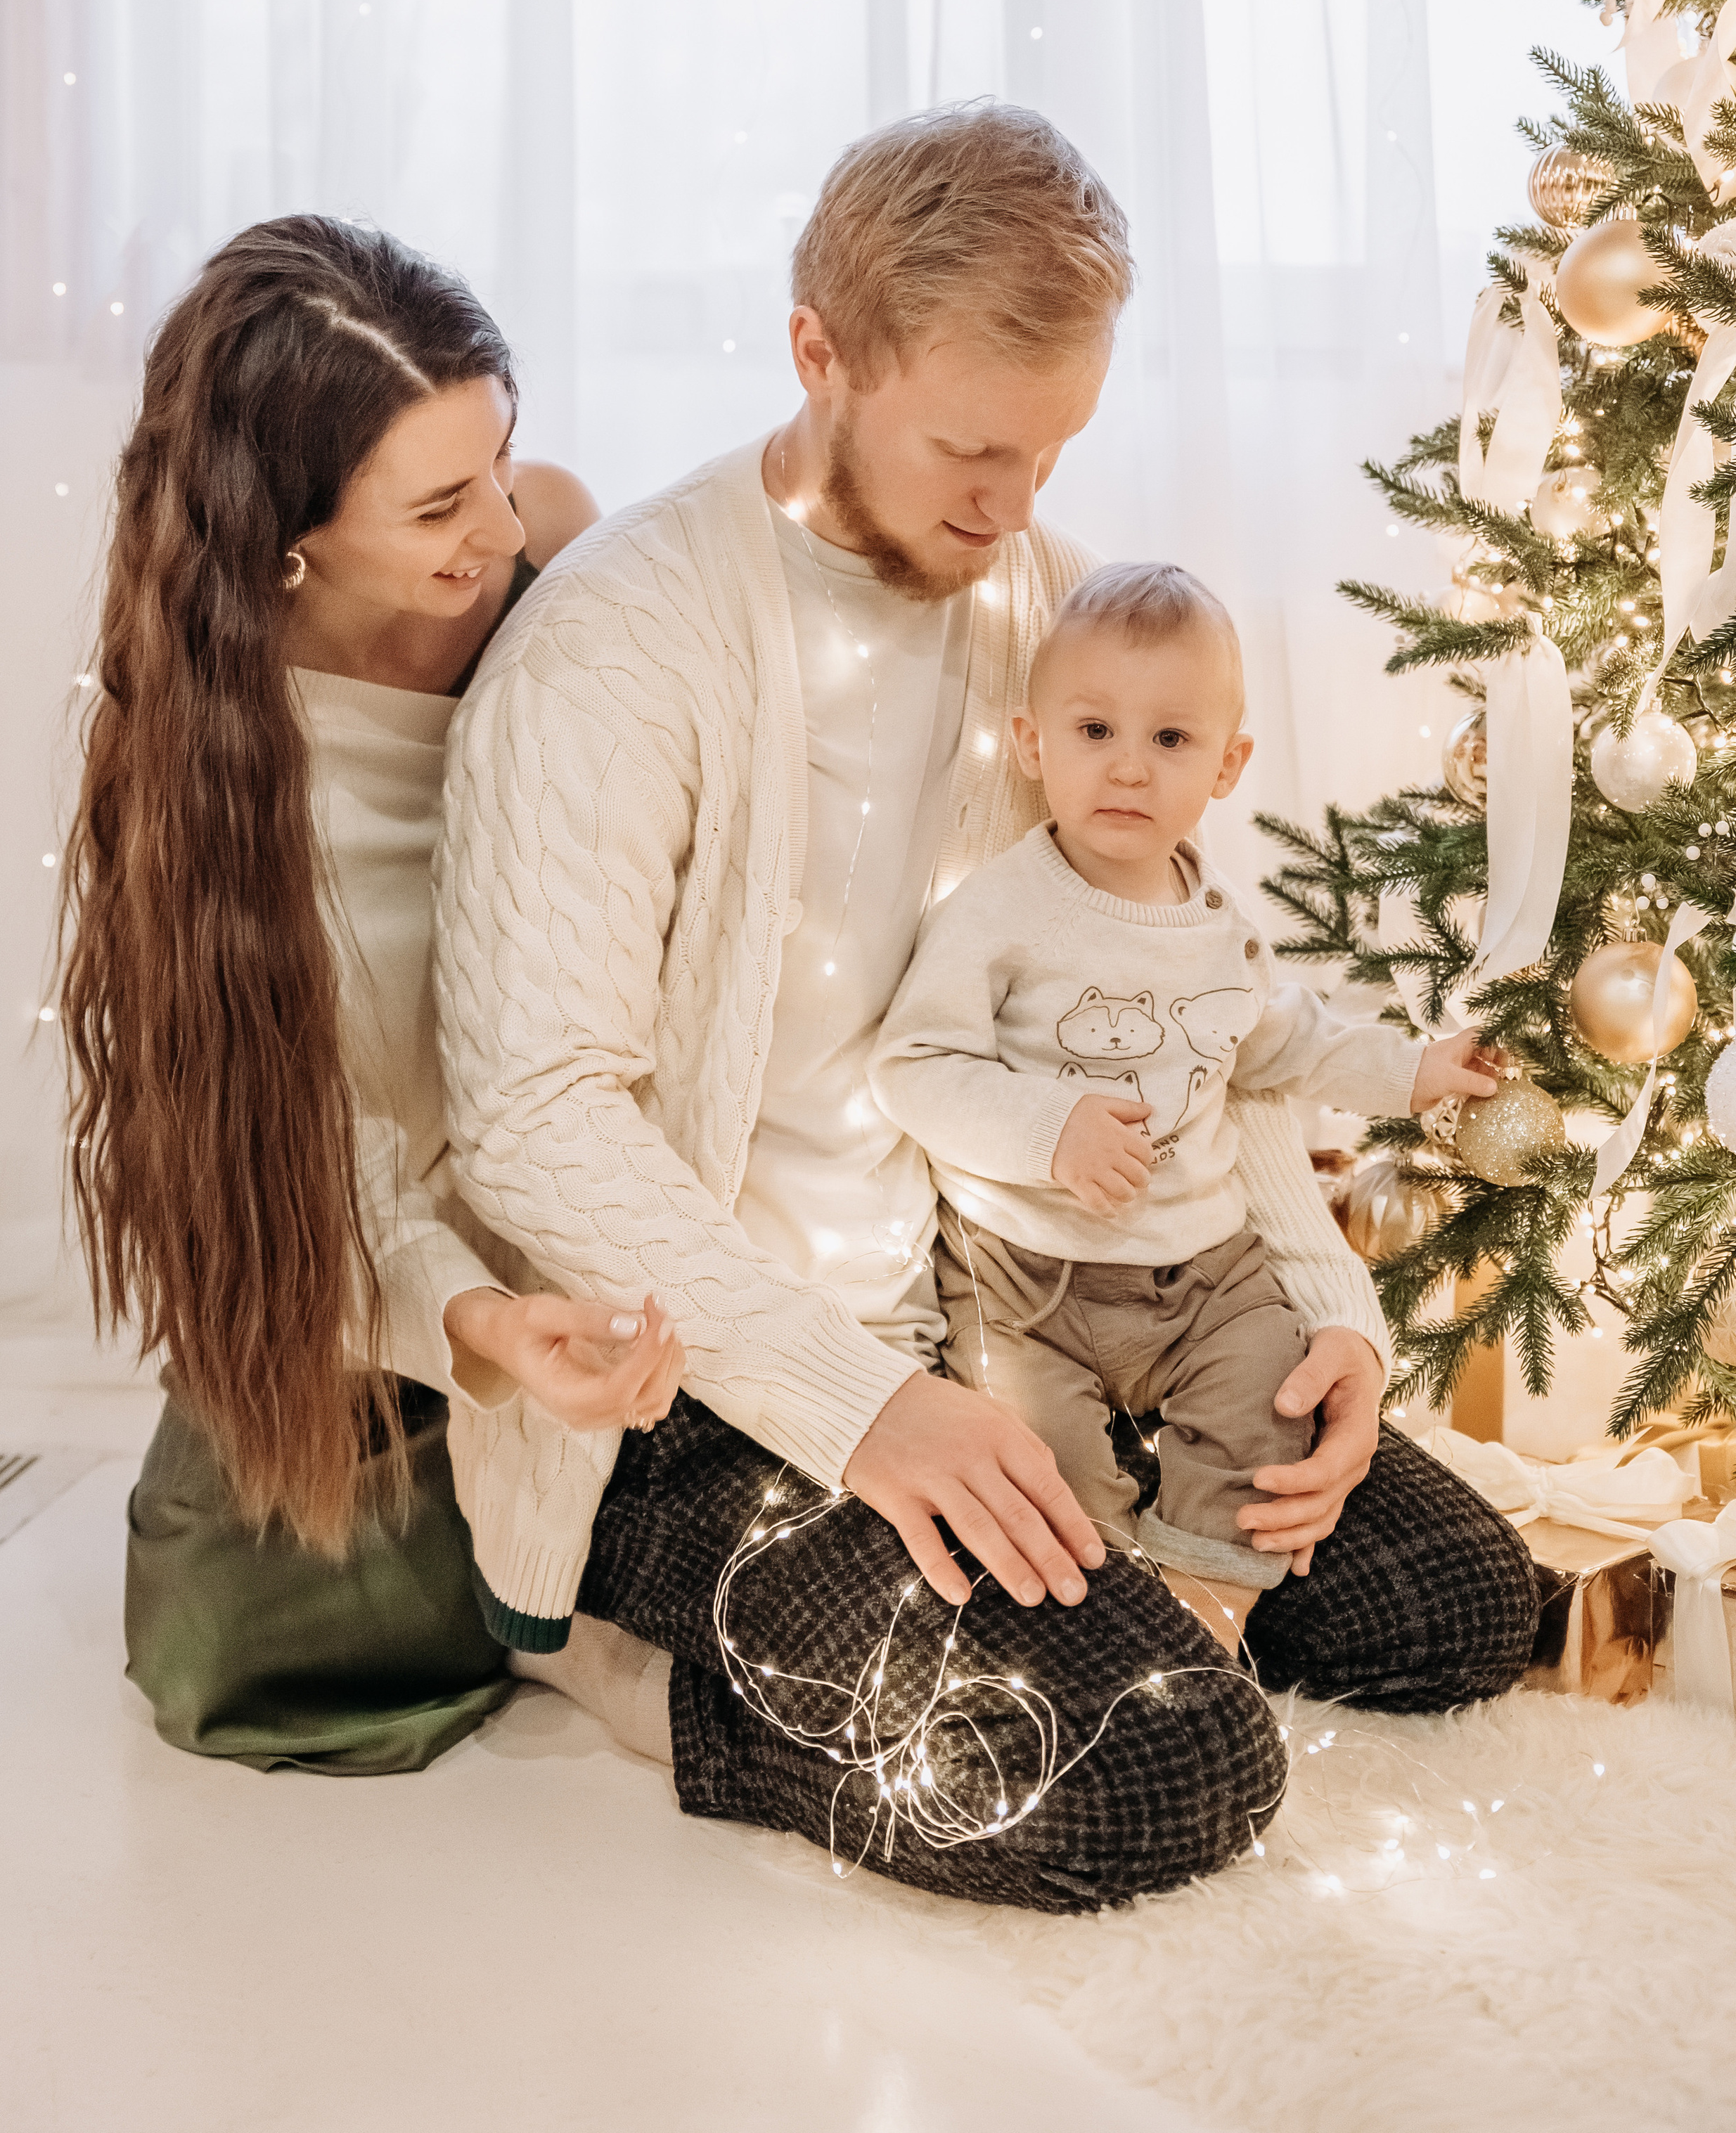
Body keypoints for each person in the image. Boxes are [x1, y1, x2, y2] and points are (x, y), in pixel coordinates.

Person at [435, 103, 1542, 1910]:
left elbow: (1192, 1002)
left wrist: (1324, 1311)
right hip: (694, 1399)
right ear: (819, 353)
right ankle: (643, 1664)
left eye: (1049, 449)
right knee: (1165, 1773)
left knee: (1458, 1605)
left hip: (1020, 1318)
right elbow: (534, 1121)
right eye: (968, 448)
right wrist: (863, 1408)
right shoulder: (616, 648)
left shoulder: (1042, 609)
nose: (1013, 505)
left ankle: (1070, 1615)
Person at [60, 214, 683, 1774]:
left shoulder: (546, 541)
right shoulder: (216, 780)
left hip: (590, 1168)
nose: (500, 524)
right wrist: (485, 1324)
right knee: (242, 1652)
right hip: (375, 1240)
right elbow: (301, 1161)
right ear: (290, 537)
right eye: (437, 506)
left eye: (499, 461)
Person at [870, 558, 1499, 1636]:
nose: (1128, 768)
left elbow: (1283, 1043)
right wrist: (1049, 1129)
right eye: (1093, 731)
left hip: (1207, 1274)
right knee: (1042, 1481)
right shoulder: (1001, 912)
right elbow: (914, 1066)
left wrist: (1415, 1071)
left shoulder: (1218, 924)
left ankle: (1206, 1623)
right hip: (1028, 1280)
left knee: (1268, 1410)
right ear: (1032, 743)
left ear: (1227, 764)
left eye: (1170, 739)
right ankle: (1115, 1626)